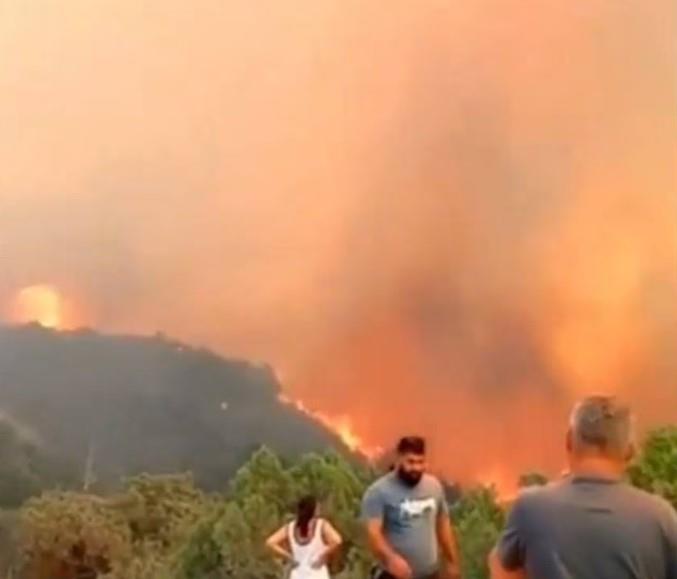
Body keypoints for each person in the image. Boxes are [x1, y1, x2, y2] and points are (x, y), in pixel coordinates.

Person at [489, 395, 677, 579]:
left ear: (569, 441)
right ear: (629, 451)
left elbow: (502, 567)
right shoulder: (660, 518)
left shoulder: (531, 508)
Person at [361, 436, 462, 579]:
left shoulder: (434, 487)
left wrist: (452, 562)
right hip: (393, 575)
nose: (416, 468)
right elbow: (373, 534)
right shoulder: (378, 492)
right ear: (398, 459)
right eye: (411, 462)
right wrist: (391, 559)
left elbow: (443, 525)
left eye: (420, 462)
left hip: (430, 574)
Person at [266, 495, 343, 579]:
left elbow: (270, 542)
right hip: (317, 573)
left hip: (298, 573)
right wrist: (322, 555)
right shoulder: (321, 525)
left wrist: (289, 557)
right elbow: (337, 540)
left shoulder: (291, 527)